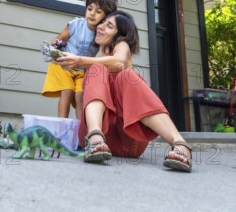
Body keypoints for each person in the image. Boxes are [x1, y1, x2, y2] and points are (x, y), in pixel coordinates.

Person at [55, 10, 193, 172]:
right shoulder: (94, 57)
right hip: (94, 139)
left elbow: (119, 62)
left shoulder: (121, 47)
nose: (100, 27)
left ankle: (180, 144)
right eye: (102, 23)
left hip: (130, 140)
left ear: (119, 36)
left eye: (109, 26)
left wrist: (80, 60)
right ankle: (95, 136)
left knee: (125, 75)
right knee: (97, 69)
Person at [42, 0, 118, 119]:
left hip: (82, 70)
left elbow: (104, 58)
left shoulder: (102, 34)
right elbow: (59, 40)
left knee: (81, 96)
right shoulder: (76, 24)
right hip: (63, 64)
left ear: (106, 16)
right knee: (67, 91)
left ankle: (81, 129)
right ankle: (62, 125)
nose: (92, 13)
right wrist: (55, 46)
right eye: (89, 9)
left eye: (98, 11)